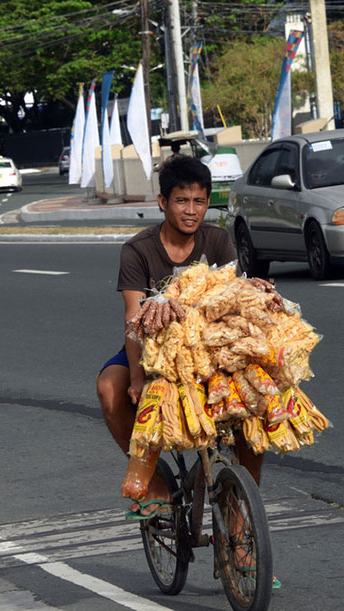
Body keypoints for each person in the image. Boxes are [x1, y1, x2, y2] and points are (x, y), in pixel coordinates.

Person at [96, 156, 265, 519]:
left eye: (199, 201)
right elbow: (132, 319)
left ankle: (242, 524)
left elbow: (234, 300)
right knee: (110, 386)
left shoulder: (217, 241)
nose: (192, 211)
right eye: (182, 201)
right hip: (154, 350)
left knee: (256, 404)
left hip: (209, 348)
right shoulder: (138, 250)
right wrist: (138, 378)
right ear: (163, 203)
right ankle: (155, 480)